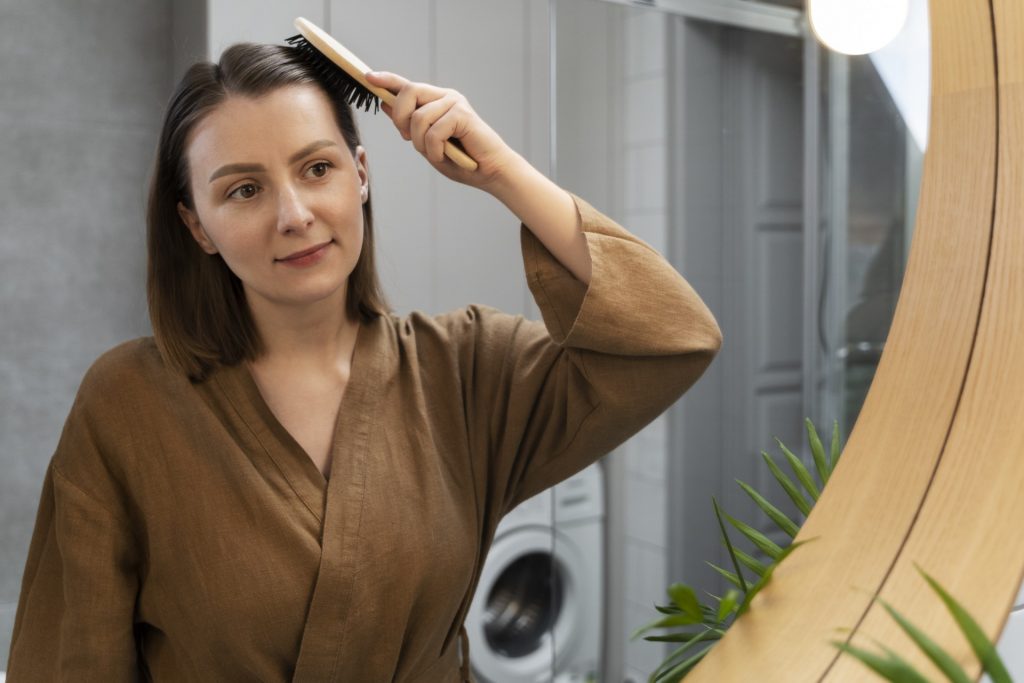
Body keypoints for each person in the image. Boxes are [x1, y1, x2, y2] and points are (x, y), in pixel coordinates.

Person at [7, 42, 721, 681]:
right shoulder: (127, 401)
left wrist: (500, 171)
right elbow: (71, 662)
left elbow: (673, 337)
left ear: (362, 175)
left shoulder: (466, 370)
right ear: (196, 224)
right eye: (244, 189)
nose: (294, 214)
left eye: (317, 168)